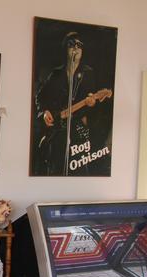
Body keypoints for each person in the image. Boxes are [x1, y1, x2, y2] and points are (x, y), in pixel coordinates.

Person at [34, 31, 111, 176]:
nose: (75, 48)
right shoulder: (56, 74)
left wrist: (93, 104)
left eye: (79, 45)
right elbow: (40, 97)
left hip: (78, 130)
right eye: (71, 45)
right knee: (54, 167)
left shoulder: (89, 74)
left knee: (79, 169)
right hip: (57, 131)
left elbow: (101, 109)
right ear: (66, 49)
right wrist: (44, 112)